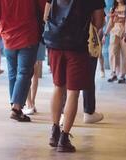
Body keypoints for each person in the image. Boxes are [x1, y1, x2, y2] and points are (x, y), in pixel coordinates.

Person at [44, 0, 105, 152]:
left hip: (55, 41)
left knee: (58, 86)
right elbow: (99, 21)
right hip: (77, 45)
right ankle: (64, 138)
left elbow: (46, 15)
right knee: (73, 91)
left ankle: (55, 131)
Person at [0, 0, 47, 122]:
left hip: (8, 37)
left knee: (13, 73)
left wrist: (2, 26)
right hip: (28, 35)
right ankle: (16, 108)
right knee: (24, 73)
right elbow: (45, 9)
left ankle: (15, 105)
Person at [103, 0, 126, 84]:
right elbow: (110, 23)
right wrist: (105, 34)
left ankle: (122, 75)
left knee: (125, 53)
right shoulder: (113, 8)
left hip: (125, 32)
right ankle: (113, 72)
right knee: (112, 52)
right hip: (114, 32)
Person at [23, 42, 46, 115]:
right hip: (39, 40)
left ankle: (30, 104)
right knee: (34, 74)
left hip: (29, 40)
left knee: (28, 73)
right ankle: (31, 102)